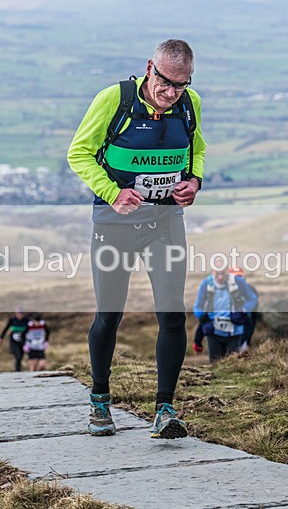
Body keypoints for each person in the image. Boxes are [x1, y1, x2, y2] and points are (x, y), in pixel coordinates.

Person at [67, 39, 206, 439]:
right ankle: (99, 401)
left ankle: (165, 409)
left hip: (165, 221)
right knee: (109, 315)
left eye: (181, 85)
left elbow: (196, 149)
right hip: (114, 224)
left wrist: (193, 181)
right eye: (165, 82)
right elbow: (79, 153)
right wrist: (114, 192)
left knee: (172, 314)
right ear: (150, 68)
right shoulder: (115, 100)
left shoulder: (189, 102)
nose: (171, 93)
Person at [193, 263, 258, 362]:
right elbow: (198, 307)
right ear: (212, 272)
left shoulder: (239, 283)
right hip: (214, 332)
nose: (220, 277)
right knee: (215, 365)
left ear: (227, 272)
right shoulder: (206, 284)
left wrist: (243, 311)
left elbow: (253, 302)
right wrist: (201, 317)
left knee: (231, 365)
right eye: (217, 274)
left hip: (235, 332)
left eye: (223, 273)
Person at [228, 266, 259, 352]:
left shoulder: (251, 290)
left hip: (245, 325)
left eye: (240, 276)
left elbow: (253, 317)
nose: (239, 279)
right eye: (236, 277)